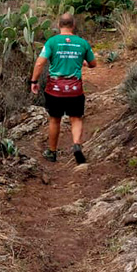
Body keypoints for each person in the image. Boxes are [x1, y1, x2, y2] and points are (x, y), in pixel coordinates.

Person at [30, 13, 96, 164]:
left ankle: (52, 152)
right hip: (75, 89)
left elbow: (40, 63)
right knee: (76, 118)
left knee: (55, 119)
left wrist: (33, 81)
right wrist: (83, 62)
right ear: (73, 25)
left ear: (59, 25)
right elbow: (93, 64)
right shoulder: (82, 43)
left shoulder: (52, 42)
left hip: (55, 89)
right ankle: (77, 145)